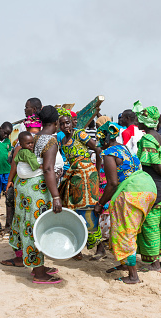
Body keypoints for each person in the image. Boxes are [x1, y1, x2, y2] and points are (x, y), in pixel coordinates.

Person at [3, 105, 63, 284]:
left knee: (27, 224)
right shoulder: (50, 141)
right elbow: (48, 168)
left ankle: (38, 266)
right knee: (36, 228)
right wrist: (56, 196)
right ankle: (38, 272)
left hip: (24, 188)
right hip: (36, 190)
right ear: (56, 122)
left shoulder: (32, 137)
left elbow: (16, 158)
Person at [94, 122, 157, 284]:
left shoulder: (108, 153)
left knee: (125, 232)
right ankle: (124, 264)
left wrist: (100, 204)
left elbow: (113, 183)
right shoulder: (125, 148)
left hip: (132, 192)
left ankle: (133, 275)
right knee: (129, 229)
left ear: (104, 139)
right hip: (148, 187)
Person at [133, 101, 161, 272]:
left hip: (155, 185)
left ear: (147, 121)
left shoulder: (148, 138)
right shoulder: (159, 136)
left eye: (140, 118)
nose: (137, 121)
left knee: (150, 224)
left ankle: (154, 263)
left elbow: (156, 164)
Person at [57, 108, 105, 260]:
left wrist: (96, 172)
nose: (65, 126)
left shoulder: (80, 134)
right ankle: (77, 248)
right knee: (73, 210)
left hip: (87, 175)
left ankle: (100, 248)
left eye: (67, 123)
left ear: (71, 123)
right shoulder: (63, 141)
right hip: (74, 176)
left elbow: (97, 150)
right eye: (62, 124)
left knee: (89, 210)